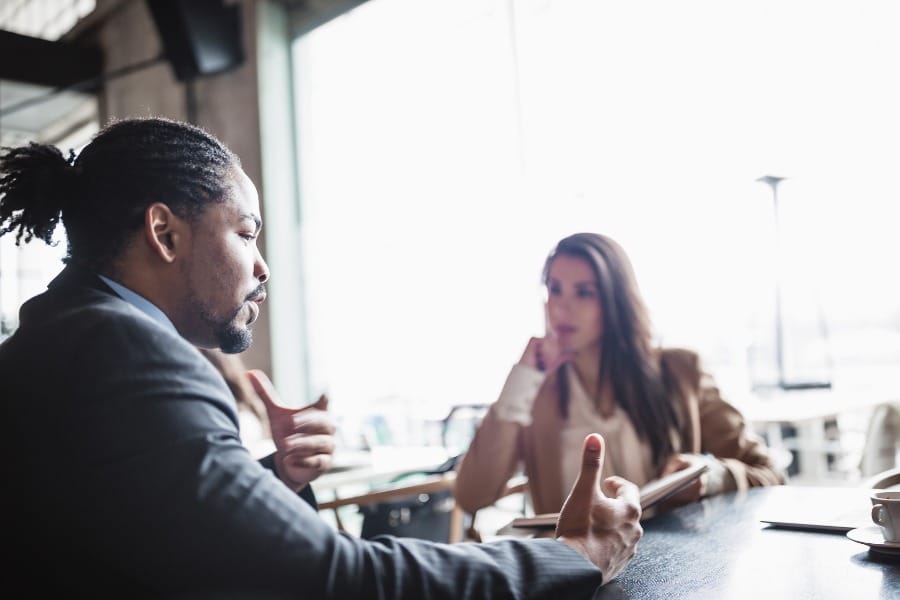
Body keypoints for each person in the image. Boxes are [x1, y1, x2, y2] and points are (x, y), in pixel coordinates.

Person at [0, 117, 641, 598]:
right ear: (165, 233)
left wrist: (271, 481)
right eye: (247, 233)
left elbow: (134, 533)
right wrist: (577, 556)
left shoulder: (61, 337)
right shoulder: (127, 350)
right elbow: (331, 577)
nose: (262, 266)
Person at [454, 232, 785, 519]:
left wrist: (712, 478)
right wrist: (521, 380)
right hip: (579, 581)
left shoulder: (680, 373)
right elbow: (472, 495)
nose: (560, 308)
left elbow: (771, 473)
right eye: (554, 289)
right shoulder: (535, 392)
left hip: (672, 574)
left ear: (616, 300)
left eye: (583, 292)